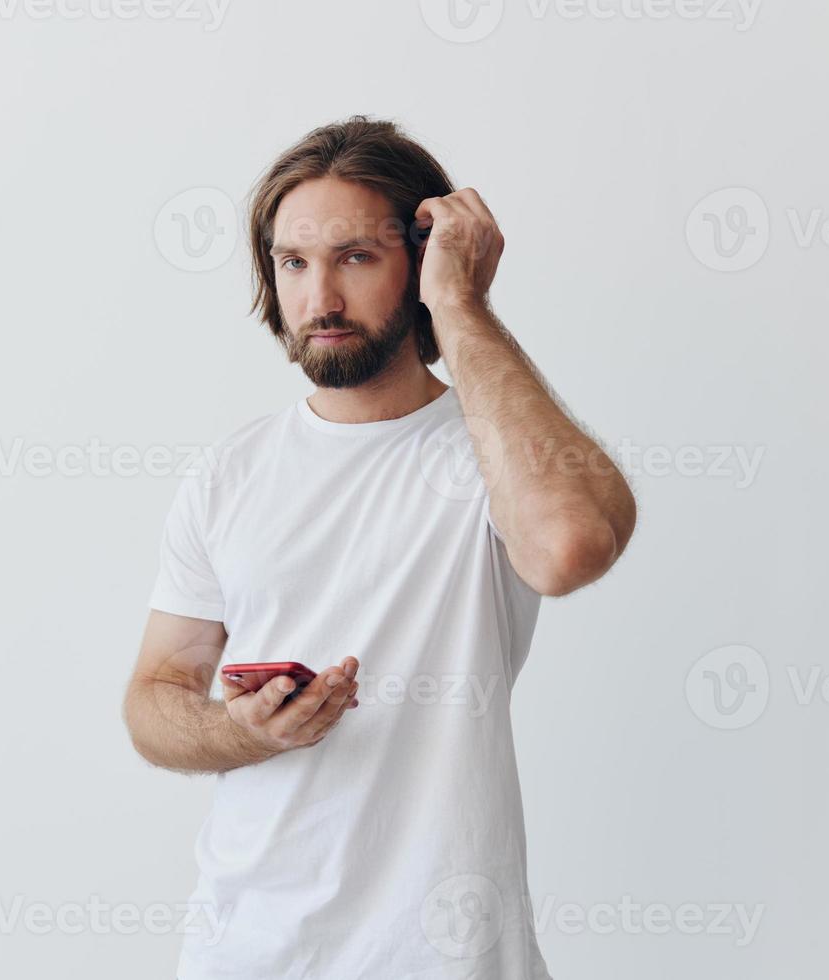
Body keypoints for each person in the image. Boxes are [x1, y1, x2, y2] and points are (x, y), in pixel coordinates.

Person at [123, 115, 636, 979]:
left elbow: (568, 547)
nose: (319, 297)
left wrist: (462, 306)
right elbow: (154, 695)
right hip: (246, 954)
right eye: (294, 262)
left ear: (425, 258)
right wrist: (238, 730)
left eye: (356, 257)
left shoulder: (496, 451)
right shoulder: (228, 473)